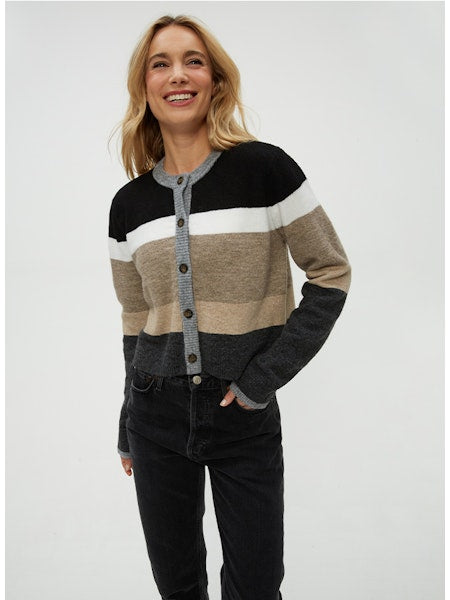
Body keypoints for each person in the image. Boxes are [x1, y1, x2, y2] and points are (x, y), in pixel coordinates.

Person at [108, 13, 351, 600]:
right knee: (177, 587)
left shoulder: (265, 169)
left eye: (193, 61)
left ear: (215, 79)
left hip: (242, 413)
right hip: (154, 415)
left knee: (256, 587)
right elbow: (136, 321)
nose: (177, 75)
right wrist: (127, 421)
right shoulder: (128, 205)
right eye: (160, 64)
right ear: (145, 86)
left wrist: (261, 380)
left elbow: (331, 272)